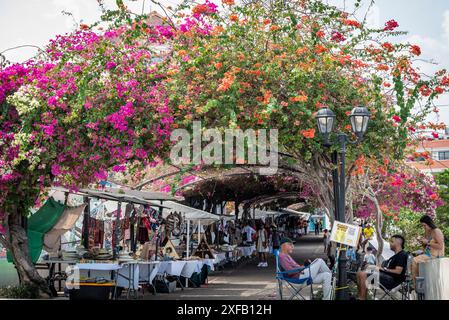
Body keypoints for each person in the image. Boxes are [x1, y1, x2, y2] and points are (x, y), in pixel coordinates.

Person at [356, 235, 408, 300]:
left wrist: (384, 269)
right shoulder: (393, 257)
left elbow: (398, 271)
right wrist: (375, 267)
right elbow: (382, 267)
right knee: (359, 273)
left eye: (392, 241)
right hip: (385, 277)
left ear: (397, 243)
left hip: (391, 280)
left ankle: (362, 298)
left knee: (362, 274)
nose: (390, 243)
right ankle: (361, 296)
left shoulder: (402, 254)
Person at [411, 215, 445, 286]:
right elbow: (427, 246)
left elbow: (440, 246)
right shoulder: (427, 232)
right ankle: (417, 281)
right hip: (428, 254)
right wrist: (422, 242)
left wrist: (428, 242)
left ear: (429, 223)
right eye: (422, 226)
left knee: (414, 260)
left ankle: (416, 285)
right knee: (412, 259)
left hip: (436, 255)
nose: (424, 227)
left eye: (424, 225)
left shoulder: (436, 231)